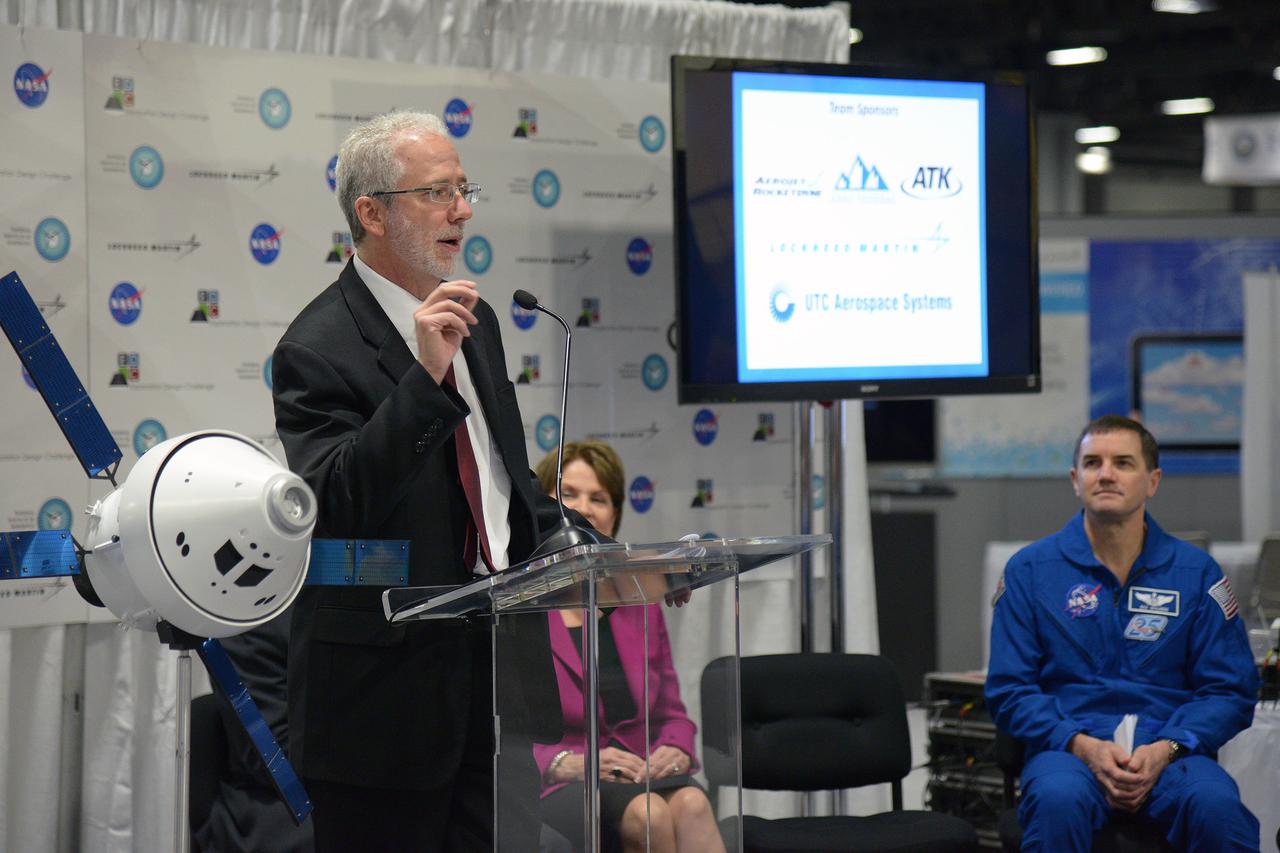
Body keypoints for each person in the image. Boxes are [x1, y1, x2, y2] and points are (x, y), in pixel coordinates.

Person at [272, 110, 577, 851]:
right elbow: (336, 506)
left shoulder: (481, 320)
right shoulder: (314, 348)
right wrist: (424, 375)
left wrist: (584, 549)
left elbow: (502, 487)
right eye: (437, 191)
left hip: (501, 683)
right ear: (371, 213)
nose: (463, 209)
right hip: (382, 712)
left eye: (464, 188)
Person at [985, 415, 1261, 852]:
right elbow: (1010, 689)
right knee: (1057, 800)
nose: (1107, 474)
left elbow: (1230, 690)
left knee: (1218, 808)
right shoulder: (1030, 572)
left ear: (1152, 481)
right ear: (1076, 480)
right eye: (1093, 462)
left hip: (1171, 749)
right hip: (1069, 749)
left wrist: (1168, 747)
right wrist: (1081, 745)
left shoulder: (1195, 572)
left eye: (1124, 463)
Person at [533, 441, 725, 853]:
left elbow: (672, 713)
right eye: (568, 494)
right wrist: (560, 763)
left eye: (599, 498)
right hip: (561, 782)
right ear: (542, 506)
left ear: (614, 516)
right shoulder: (522, 610)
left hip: (638, 769)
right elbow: (500, 733)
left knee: (691, 804)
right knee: (649, 814)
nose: (584, 508)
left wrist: (675, 747)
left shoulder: (638, 603)